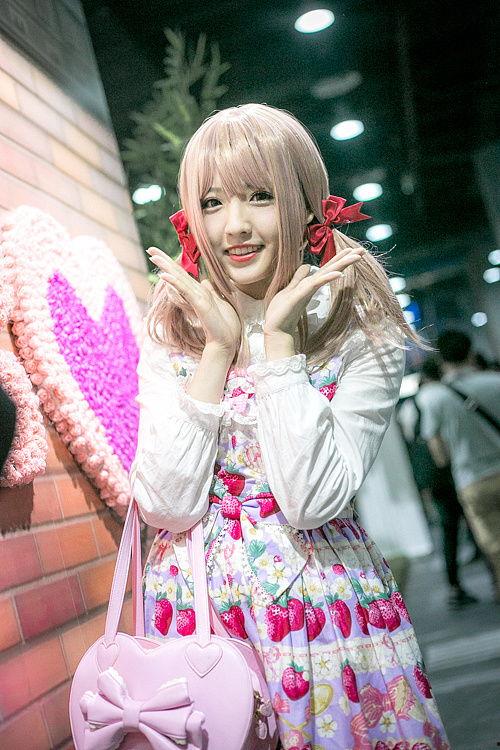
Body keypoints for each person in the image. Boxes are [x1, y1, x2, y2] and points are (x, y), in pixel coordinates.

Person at [130, 103, 450, 748]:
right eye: (212, 203)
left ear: (306, 205)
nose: (235, 226)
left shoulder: (360, 329)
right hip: (195, 624)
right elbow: (165, 505)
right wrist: (216, 353)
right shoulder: (173, 330)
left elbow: (312, 501)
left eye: (260, 196)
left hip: (327, 618)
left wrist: (279, 350)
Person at [418, 330, 500, 604]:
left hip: (472, 480)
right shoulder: (495, 382)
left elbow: (438, 452)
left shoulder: (436, 398)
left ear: (442, 360)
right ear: (471, 353)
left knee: (493, 545)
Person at [397, 356, 479, 608]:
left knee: (449, 528)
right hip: (451, 471)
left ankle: (454, 584)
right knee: (470, 522)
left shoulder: (410, 405)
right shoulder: (444, 396)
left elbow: (410, 438)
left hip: (432, 477)